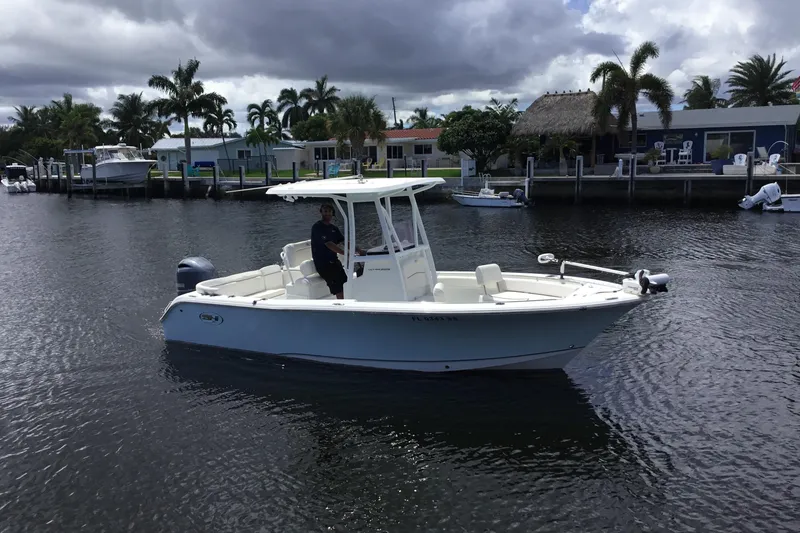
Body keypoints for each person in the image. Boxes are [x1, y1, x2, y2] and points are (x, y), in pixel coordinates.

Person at [311, 203, 364, 299]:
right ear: (321, 212)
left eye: (329, 211)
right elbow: (329, 244)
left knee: (346, 284)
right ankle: (342, 307)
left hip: (334, 262)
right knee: (339, 288)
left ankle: (349, 303)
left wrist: (358, 250)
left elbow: (344, 241)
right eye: (325, 211)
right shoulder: (317, 227)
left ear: (332, 213)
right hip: (324, 264)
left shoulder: (333, 229)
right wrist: (346, 254)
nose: (327, 213)